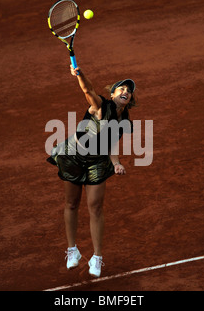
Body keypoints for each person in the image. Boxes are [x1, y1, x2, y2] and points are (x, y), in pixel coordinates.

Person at [47, 64, 137, 277]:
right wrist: (80, 74)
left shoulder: (123, 120)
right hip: (73, 156)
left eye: (129, 90)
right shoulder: (99, 105)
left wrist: (116, 163)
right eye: (121, 88)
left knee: (95, 207)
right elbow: (87, 90)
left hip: (98, 162)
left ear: (130, 99)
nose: (125, 91)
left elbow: (112, 143)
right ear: (112, 93)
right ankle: (72, 251)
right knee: (71, 203)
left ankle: (97, 258)